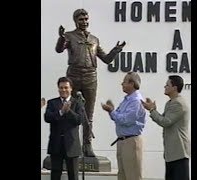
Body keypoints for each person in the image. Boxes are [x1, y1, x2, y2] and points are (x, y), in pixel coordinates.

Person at [55, 8, 126, 157]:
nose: (84, 22)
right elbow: (59, 50)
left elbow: (106, 59)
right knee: (70, 111)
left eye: (86, 19)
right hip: (73, 76)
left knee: (88, 114)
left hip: (90, 77)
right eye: (81, 19)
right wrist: (61, 37)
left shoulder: (94, 39)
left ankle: (87, 145)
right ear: (76, 21)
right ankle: (70, 144)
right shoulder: (69, 36)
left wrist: (116, 50)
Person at [141, 75, 190, 180]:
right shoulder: (170, 103)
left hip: (179, 153)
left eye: (167, 85)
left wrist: (152, 110)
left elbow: (165, 122)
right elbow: (163, 119)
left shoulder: (178, 104)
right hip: (171, 153)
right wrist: (153, 109)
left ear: (174, 88)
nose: (165, 87)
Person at [101, 72, 146, 180]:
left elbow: (126, 120)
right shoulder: (127, 100)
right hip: (122, 141)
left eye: (124, 82)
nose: (122, 84)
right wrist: (111, 111)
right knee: (122, 175)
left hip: (131, 141)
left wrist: (112, 111)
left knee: (132, 175)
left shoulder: (136, 101)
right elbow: (118, 117)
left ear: (132, 83)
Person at [44, 77, 85, 180]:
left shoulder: (77, 103)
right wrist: (61, 112)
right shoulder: (52, 103)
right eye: (61, 88)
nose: (63, 90)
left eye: (66, 87)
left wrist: (69, 111)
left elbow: (79, 120)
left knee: (73, 175)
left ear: (71, 89)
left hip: (72, 145)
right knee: (55, 174)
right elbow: (47, 117)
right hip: (56, 144)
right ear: (58, 89)